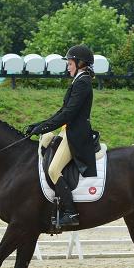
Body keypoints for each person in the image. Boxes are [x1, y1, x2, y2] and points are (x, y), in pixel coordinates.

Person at [25, 45, 97, 228]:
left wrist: (44, 127)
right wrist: (41, 125)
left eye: (70, 63)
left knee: (54, 169)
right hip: (68, 131)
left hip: (76, 135)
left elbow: (68, 114)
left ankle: (71, 212)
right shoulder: (79, 80)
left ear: (80, 64)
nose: (68, 67)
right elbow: (63, 111)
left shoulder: (83, 82)